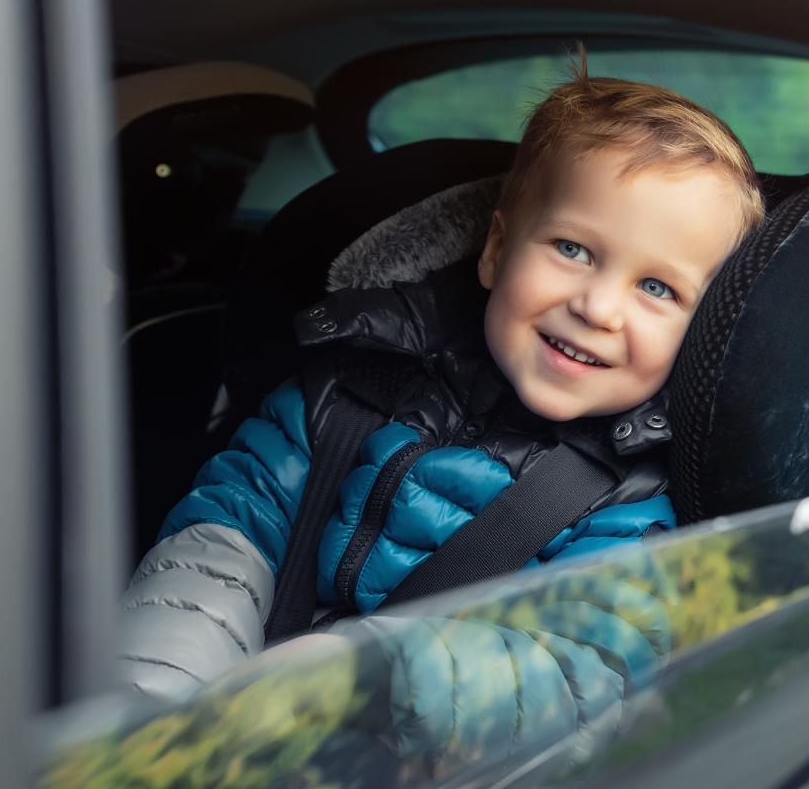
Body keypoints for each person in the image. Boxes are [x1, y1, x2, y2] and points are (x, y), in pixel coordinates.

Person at [115, 52, 764, 743]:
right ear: (495, 250)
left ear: (697, 336)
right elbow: (221, 538)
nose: (599, 306)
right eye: (573, 249)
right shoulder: (341, 393)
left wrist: (368, 677)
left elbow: (581, 668)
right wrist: (159, 694)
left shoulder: (630, 512)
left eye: (657, 289)